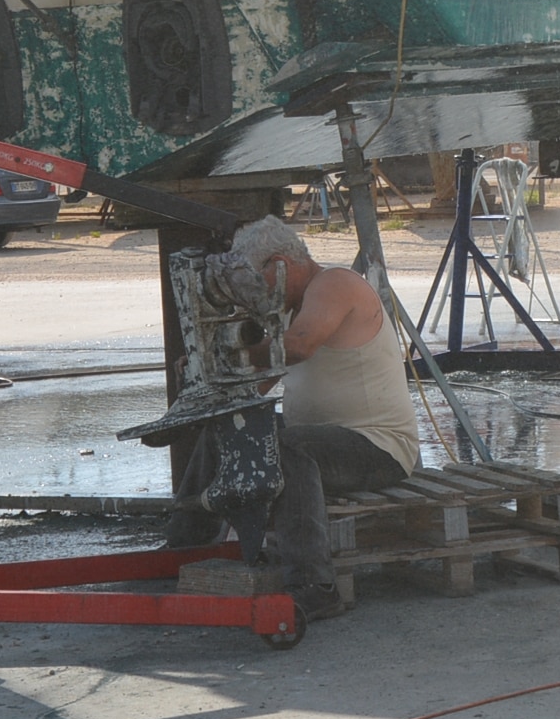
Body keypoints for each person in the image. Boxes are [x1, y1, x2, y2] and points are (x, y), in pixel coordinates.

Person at [170, 216, 417, 621]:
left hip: (378, 447)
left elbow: (300, 347)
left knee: (286, 447)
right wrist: (210, 377)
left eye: (257, 280)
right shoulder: (290, 312)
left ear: (280, 264)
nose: (257, 292)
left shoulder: (335, 285)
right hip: (326, 443)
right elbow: (255, 389)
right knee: (230, 427)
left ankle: (314, 585)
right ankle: (185, 546)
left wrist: (228, 359)